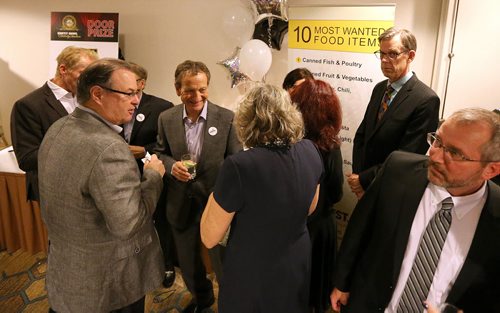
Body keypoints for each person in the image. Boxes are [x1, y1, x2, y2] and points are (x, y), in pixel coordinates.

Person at [331, 108, 500, 313]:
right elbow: (360, 227)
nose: (435, 156)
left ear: (491, 169)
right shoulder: (397, 169)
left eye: (455, 153)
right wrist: (342, 281)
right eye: (437, 140)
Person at [38, 58, 166, 312]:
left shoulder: (58, 128)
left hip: (68, 274)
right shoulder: (108, 148)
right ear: (97, 94)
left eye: (138, 92)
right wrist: (153, 176)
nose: (136, 101)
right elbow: (128, 223)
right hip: (110, 286)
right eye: (129, 93)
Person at [200, 84, 324, 313]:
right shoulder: (310, 150)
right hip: (295, 262)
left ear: (247, 121)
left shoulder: (239, 166)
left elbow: (209, 237)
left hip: (252, 271)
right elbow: (310, 208)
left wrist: (215, 193)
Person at [154, 60, 242, 313]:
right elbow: (159, 152)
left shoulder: (226, 119)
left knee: (223, 262)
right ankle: (202, 300)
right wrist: (171, 166)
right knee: (189, 264)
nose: (197, 96)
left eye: (202, 89)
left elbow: (236, 162)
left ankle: (230, 304)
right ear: (177, 88)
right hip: (180, 203)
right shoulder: (166, 118)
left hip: (216, 205)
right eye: (189, 90)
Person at [349, 27, 440, 198]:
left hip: (390, 188)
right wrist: (358, 177)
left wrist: (364, 179)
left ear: (410, 56)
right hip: (363, 184)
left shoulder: (426, 99)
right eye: (382, 54)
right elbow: (362, 136)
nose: (384, 60)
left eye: (392, 54)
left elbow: (406, 156)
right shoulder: (380, 88)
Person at [10, 46, 98, 201]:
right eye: (84, 74)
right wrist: (80, 150)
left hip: (89, 189)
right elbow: (27, 159)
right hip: (53, 192)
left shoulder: (89, 100)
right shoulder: (29, 105)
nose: (89, 82)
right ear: (63, 69)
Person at [290, 79, 344, 313]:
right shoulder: (330, 145)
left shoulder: (289, 144)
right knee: (316, 295)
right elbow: (337, 193)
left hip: (294, 229)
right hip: (321, 229)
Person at [128, 62, 176, 288]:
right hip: (121, 178)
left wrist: (144, 151)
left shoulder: (162, 107)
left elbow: (169, 147)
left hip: (152, 175)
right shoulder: (110, 105)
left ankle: (166, 265)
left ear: (141, 83)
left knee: (161, 223)